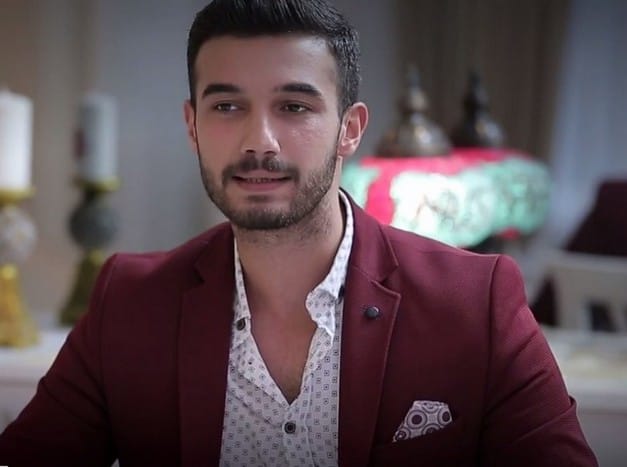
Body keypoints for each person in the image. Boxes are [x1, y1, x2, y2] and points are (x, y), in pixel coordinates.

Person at [0, 0, 597, 466]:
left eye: (294, 107)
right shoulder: (130, 302)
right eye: (227, 106)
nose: (259, 141)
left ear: (350, 129)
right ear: (192, 125)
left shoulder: (475, 302)